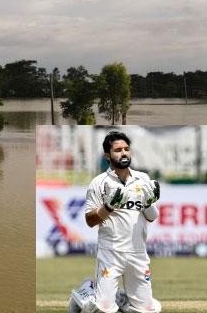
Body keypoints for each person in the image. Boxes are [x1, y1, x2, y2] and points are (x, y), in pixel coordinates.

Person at [82, 131, 161, 313]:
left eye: (126, 149)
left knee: (148, 310)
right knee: (102, 310)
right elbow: (90, 221)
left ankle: (121, 297)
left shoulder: (143, 179)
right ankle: (85, 292)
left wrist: (149, 203)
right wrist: (108, 207)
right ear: (108, 156)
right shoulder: (99, 182)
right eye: (118, 150)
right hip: (111, 251)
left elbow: (152, 216)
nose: (124, 153)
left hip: (137, 252)